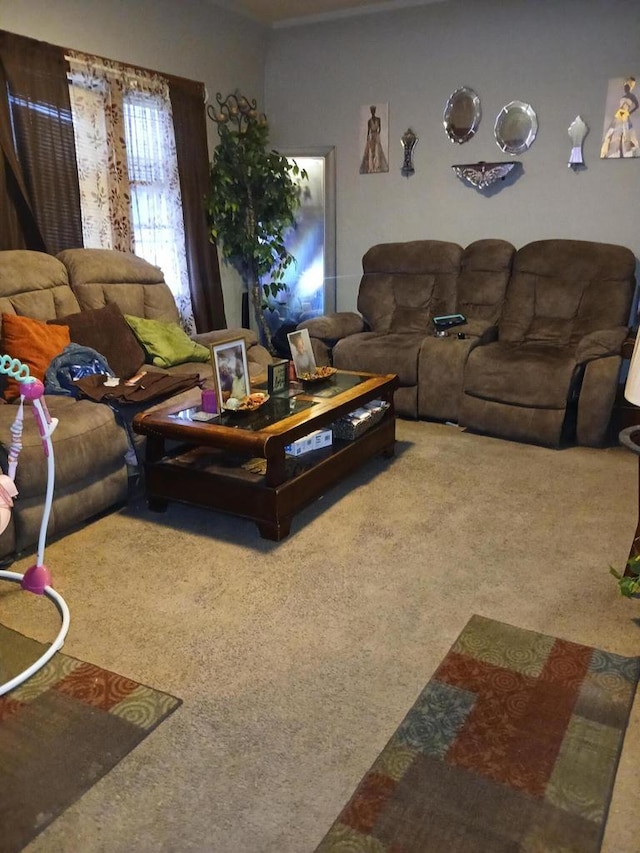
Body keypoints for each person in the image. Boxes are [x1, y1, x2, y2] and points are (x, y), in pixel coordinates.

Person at [601, 77, 640, 158]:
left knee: (626, 131)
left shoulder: (631, 96)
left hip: (625, 114)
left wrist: (629, 112)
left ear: (629, 88)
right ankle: (613, 151)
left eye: (627, 87)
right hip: (619, 114)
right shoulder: (623, 96)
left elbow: (637, 105)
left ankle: (627, 150)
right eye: (625, 87)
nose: (625, 88)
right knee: (614, 131)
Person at [360, 105, 389, 174]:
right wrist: (368, 137)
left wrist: (377, 134)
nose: (373, 112)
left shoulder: (378, 119)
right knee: (371, 150)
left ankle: (377, 165)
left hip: (376, 135)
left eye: (374, 111)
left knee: (378, 149)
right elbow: (368, 130)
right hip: (372, 135)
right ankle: (371, 166)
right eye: (372, 111)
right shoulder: (369, 121)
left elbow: (380, 128)